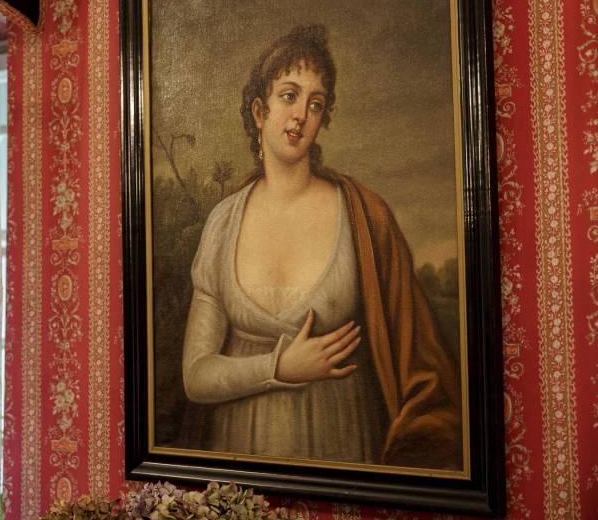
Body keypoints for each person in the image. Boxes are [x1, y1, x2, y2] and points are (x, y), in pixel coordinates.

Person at [181, 24, 462, 469]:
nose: (301, 116)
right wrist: (279, 367)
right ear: (259, 111)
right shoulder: (222, 222)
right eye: (289, 96)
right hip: (237, 464)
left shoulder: (364, 216)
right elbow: (196, 376)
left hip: (343, 451)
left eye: (315, 104)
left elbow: (418, 359)